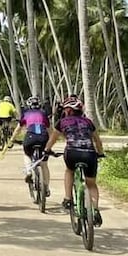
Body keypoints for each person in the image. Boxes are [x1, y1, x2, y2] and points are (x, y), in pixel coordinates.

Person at [44, 95, 106, 225]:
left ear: (68, 110)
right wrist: (100, 153)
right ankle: (95, 210)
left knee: (69, 171)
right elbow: (97, 141)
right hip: (90, 154)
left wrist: (47, 151)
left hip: (72, 153)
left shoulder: (62, 122)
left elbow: (52, 139)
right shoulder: (88, 122)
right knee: (91, 183)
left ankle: (67, 198)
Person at [9, 96, 53, 197]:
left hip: (30, 137)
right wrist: (51, 143)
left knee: (26, 154)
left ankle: (29, 171)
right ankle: (46, 187)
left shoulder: (26, 114)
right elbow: (50, 131)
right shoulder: (43, 114)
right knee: (44, 164)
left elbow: (18, 130)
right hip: (43, 138)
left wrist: (12, 140)